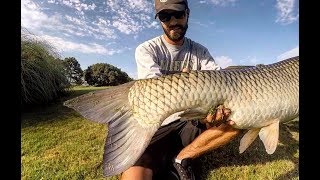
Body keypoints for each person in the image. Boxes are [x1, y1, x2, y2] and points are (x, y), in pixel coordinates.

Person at [121, 0, 241, 179]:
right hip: (158, 123)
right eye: (165, 16)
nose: (173, 21)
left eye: (178, 14)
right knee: (135, 175)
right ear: (159, 20)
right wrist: (187, 81)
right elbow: (155, 94)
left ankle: (183, 157)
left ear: (187, 14)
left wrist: (215, 108)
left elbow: (220, 83)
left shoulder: (200, 51)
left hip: (192, 119)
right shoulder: (146, 49)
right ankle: (166, 155)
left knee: (237, 120)